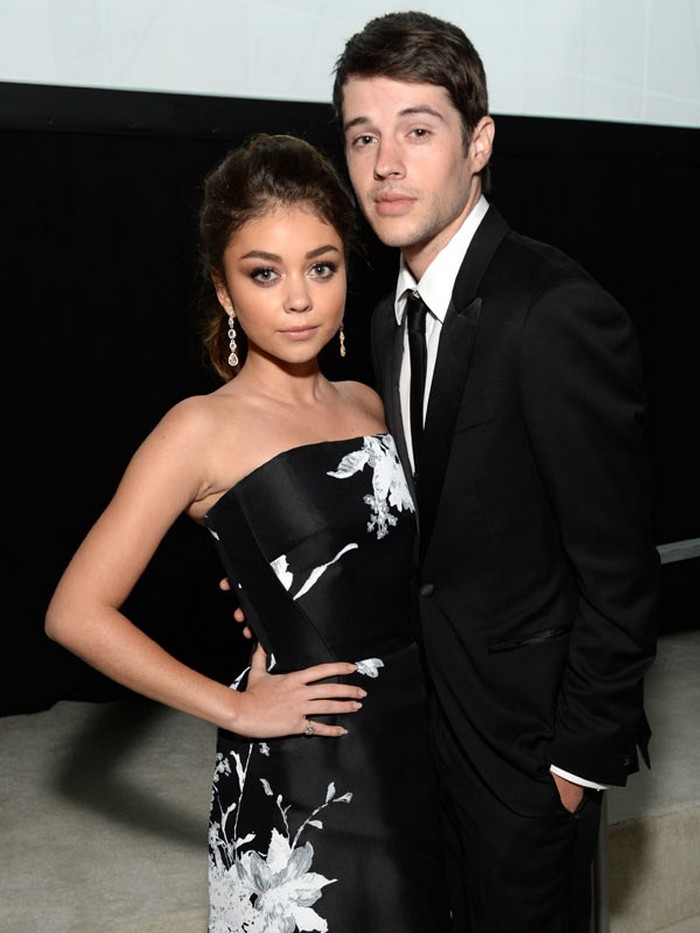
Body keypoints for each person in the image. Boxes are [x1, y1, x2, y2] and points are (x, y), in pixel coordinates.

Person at [45, 132, 451, 933]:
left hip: (421, 738)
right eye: (265, 273)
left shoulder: (372, 402)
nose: (298, 299)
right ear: (224, 290)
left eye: (320, 267)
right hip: (306, 768)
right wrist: (234, 709)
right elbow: (75, 611)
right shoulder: (199, 429)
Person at [328, 11, 660, 933]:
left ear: (479, 145)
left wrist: (574, 764)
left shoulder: (555, 312)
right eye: (363, 136)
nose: (386, 164)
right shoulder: (386, 316)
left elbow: (621, 569)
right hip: (418, 739)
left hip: (526, 759)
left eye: (418, 130)